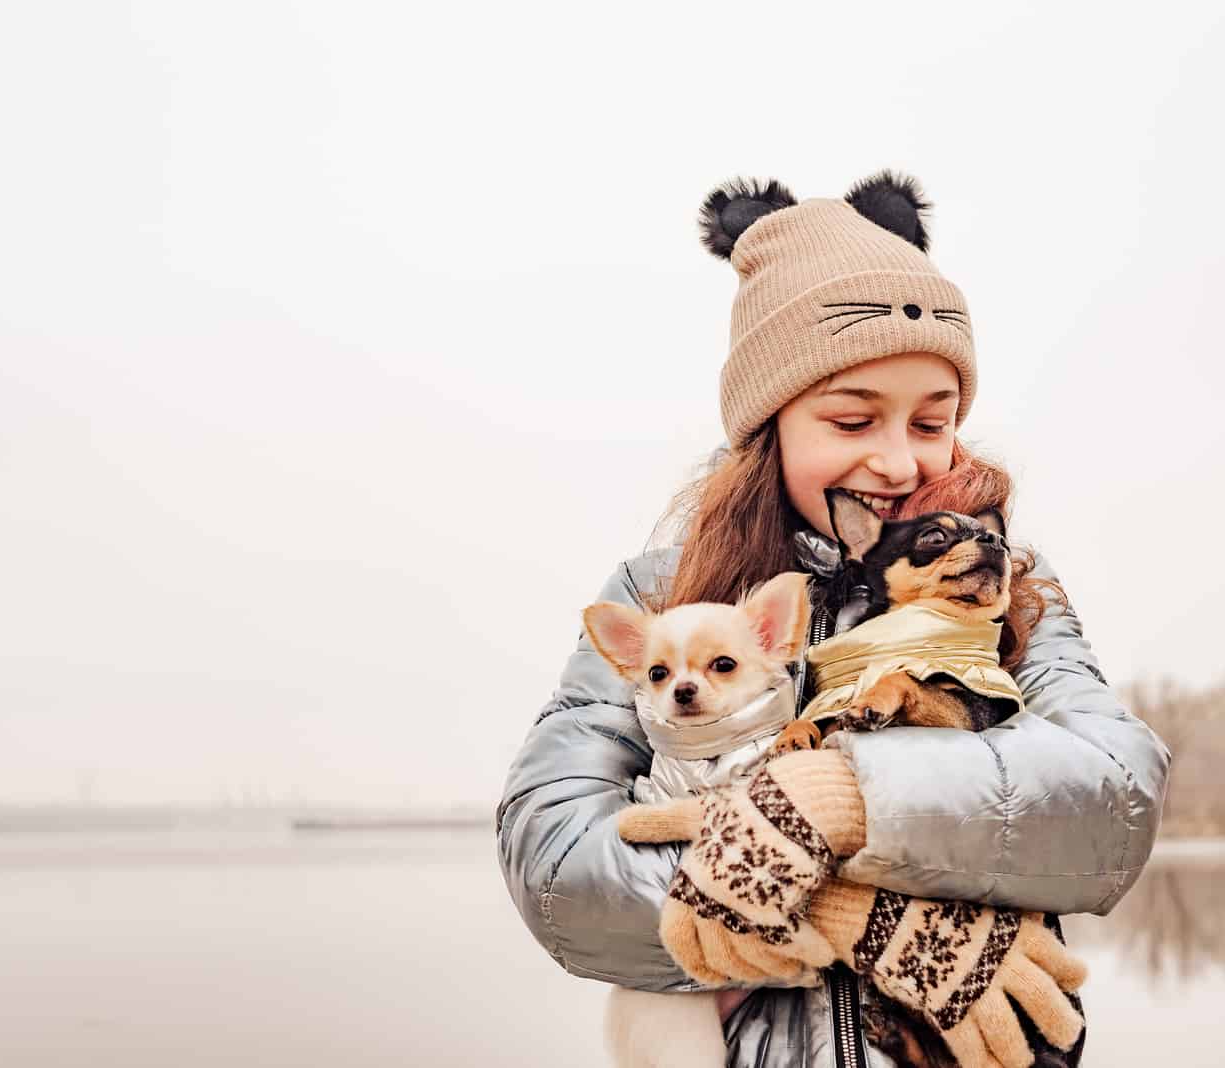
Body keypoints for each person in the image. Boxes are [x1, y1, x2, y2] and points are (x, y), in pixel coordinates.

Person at [496, 170, 1172, 1067]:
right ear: (768, 425)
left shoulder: (1005, 582)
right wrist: (866, 919)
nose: (897, 461)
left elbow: (1114, 802)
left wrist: (851, 800)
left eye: (932, 423)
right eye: (853, 420)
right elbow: (557, 871)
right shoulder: (659, 597)